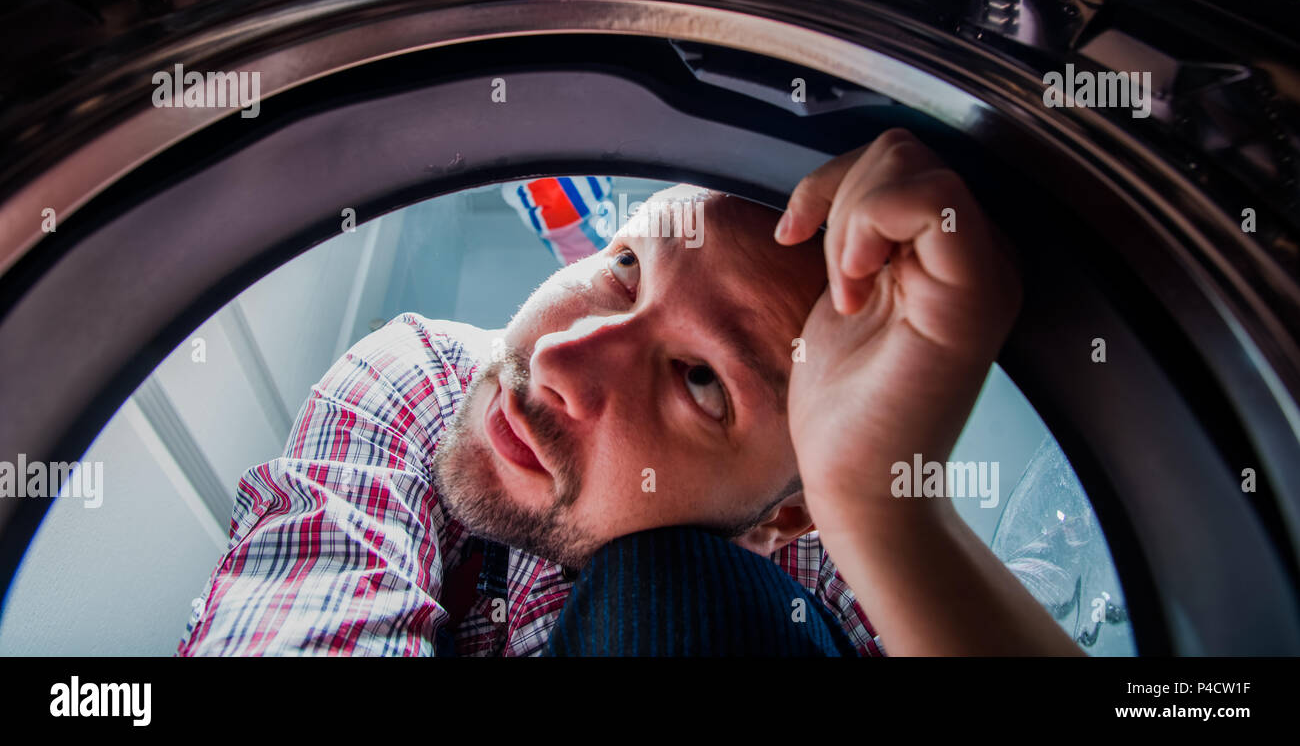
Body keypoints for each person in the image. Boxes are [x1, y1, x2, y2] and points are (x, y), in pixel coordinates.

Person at [177, 128, 1081, 656]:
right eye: (624, 266)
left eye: (699, 380)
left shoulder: (824, 557)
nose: (560, 359)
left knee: (679, 592)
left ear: (792, 515)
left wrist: (883, 512)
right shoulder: (424, 379)